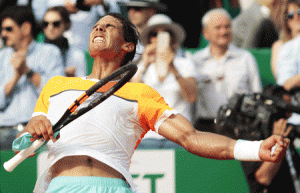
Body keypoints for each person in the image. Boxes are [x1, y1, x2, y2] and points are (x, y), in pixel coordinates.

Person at [17, 13, 288, 193]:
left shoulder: (140, 93)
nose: (98, 27)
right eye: (96, 25)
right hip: (61, 187)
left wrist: (254, 149)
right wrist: (34, 125)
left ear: (127, 46)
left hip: (113, 188)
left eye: (109, 26)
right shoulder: (56, 86)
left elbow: (191, 137)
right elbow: (23, 142)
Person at [0, 6, 64, 150]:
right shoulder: (1, 57)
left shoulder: (50, 53)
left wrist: (27, 72)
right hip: (2, 132)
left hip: (36, 134)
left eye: (9, 29)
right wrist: (15, 77)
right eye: (2, 29)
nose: (3, 34)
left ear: (26, 28)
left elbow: (57, 94)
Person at [131, 14, 198, 148]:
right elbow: (131, 99)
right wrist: (144, 64)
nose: (159, 38)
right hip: (148, 136)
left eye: (165, 33)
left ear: (172, 37)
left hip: (179, 134)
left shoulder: (185, 63)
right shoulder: (142, 66)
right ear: (150, 38)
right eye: (155, 34)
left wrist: (172, 66)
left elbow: (191, 97)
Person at [192, 8, 262, 132]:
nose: (223, 31)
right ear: (205, 33)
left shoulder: (245, 58)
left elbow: (257, 94)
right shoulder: (196, 61)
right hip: (206, 127)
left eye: (227, 26)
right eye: (218, 27)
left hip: (239, 127)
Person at [239, 85, 300, 193]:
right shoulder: (252, 136)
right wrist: (279, 141)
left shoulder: (287, 131)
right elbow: (263, 178)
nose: (289, 115)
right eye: (285, 109)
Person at [33, 0, 123, 51]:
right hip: (54, 47)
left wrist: (102, 2)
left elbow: (115, 16)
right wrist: (61, 10)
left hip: (87, 48)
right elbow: (37, 15)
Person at [42, 6, 86, 77]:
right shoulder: (35, 52)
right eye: (46, 24)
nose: (50, 28)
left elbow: (83, 84)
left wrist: (72, 78)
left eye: (56, 24)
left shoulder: (77, 55)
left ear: (67, 25)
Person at [271, 0, 300, 79]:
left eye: (299, 13)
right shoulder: (279, 46)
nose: (296, 17)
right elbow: (280, 76)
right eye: (290, 15)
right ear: (286, 20)